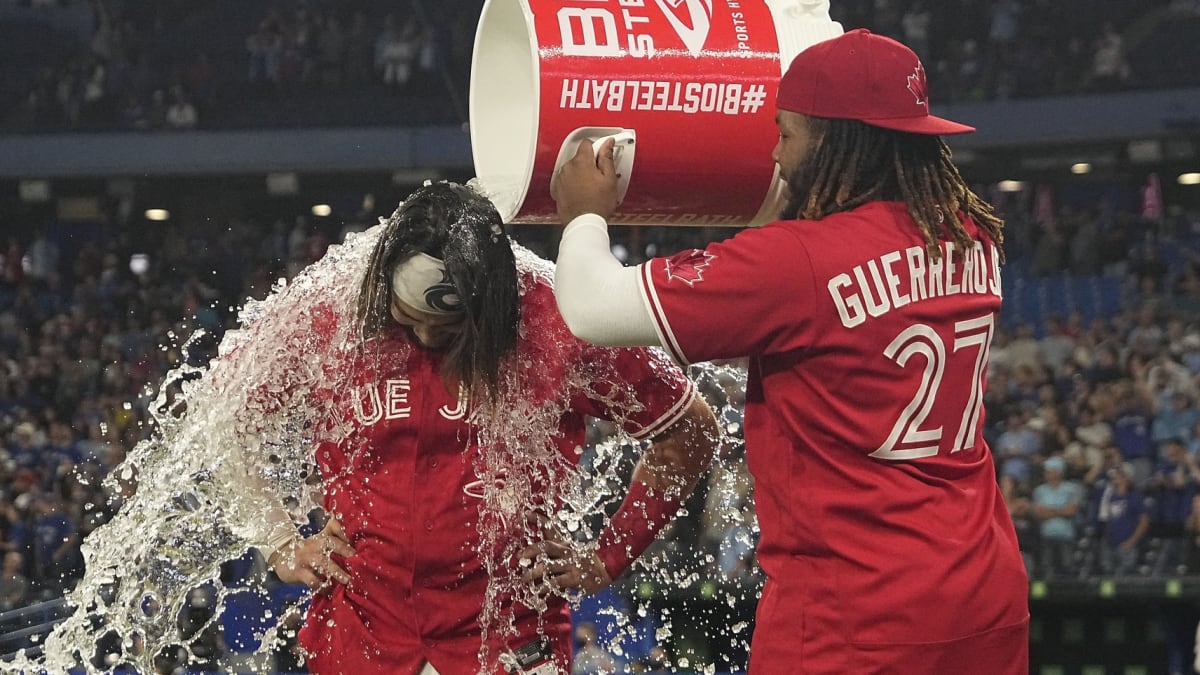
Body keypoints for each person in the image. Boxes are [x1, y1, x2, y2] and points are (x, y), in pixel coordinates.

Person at [550, 28, 1029, 674]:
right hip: (983, 594)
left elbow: (589, 305)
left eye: (786, 132)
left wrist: (584, 210)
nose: (775, 152)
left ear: (833, 142)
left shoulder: (797, 265)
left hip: (852, 616)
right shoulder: (970, 233)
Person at [256, 182, 719, 674]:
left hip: (511, 631)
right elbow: (226, 423)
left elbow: (691, 431)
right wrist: (278, 541)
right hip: (364, 630)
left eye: (451, 327)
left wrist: (607, 557)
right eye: (409, 320)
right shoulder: (331, 314)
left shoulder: (558, 319)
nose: (428, 336)